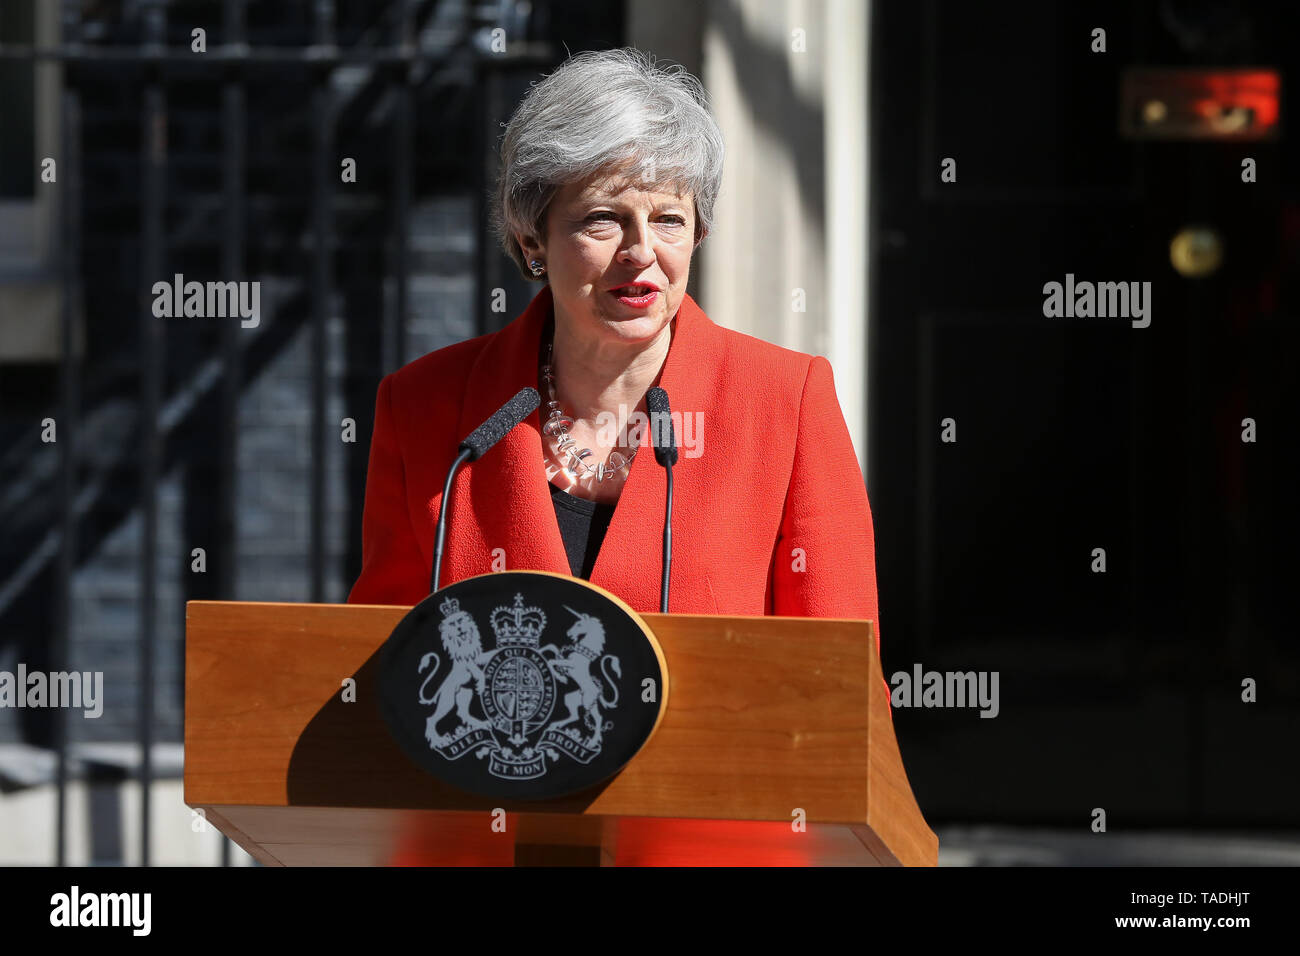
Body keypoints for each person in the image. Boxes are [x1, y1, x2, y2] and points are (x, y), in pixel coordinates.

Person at [347, 47, 881, 655]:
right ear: (532, 240)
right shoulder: (423, 406)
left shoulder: (786, 400)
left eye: (669, 220)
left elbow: (842, 675)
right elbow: (380, 659)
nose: (641, 250)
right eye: (603, 219)